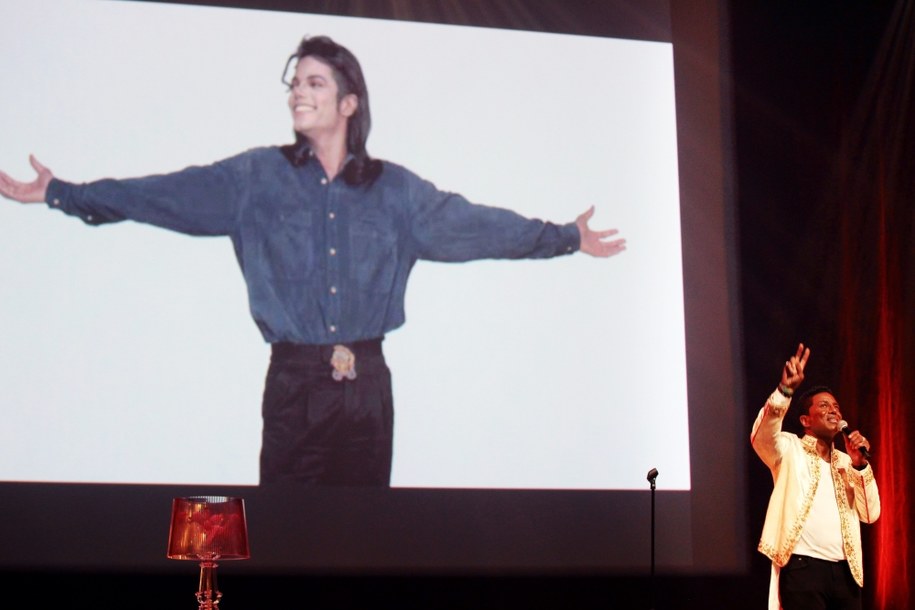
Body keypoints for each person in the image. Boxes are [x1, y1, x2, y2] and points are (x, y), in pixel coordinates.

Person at [0, 35, 626, 487]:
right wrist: (63, 194)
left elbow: (479, 227)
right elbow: (160, 193)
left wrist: (564, 237)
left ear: (349, 103)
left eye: (314, 82)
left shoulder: (397, 192)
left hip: (369, 391)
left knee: (363, 554)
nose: (298, 92)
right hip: (295, 388)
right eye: (294, 83)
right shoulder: (255, 178)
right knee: (287, 550)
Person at [751, 343, 881, 610]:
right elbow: (760, 436)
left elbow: (870, 514)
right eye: (824, 406)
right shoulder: (789, 449)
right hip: (803, 567)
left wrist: (860, 467)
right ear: (806, 420)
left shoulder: (847, 462)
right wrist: (785, 391)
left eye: (836, 406)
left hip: (846, 573)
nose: (834, 411)